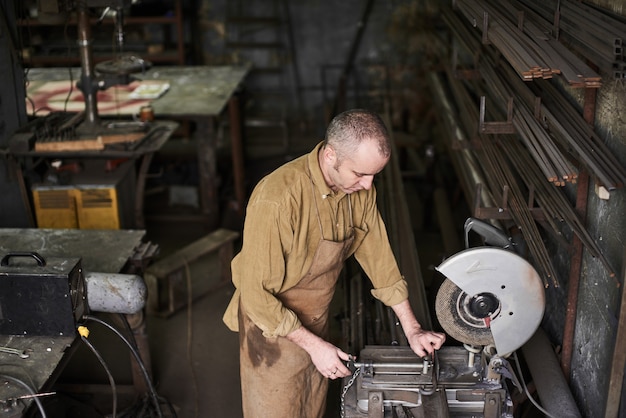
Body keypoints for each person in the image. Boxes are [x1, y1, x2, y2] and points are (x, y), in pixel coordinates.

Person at [223, 109, 446, 417]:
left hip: (317, 322)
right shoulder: (278, 199)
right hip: (270, 333)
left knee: (312, 406)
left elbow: (379, 257)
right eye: (360, 174)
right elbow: (257, 297)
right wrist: (314, 346)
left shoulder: (360, 191)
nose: (368, 186)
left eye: (374, 176)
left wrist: (413, 328)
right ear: (330, 156)